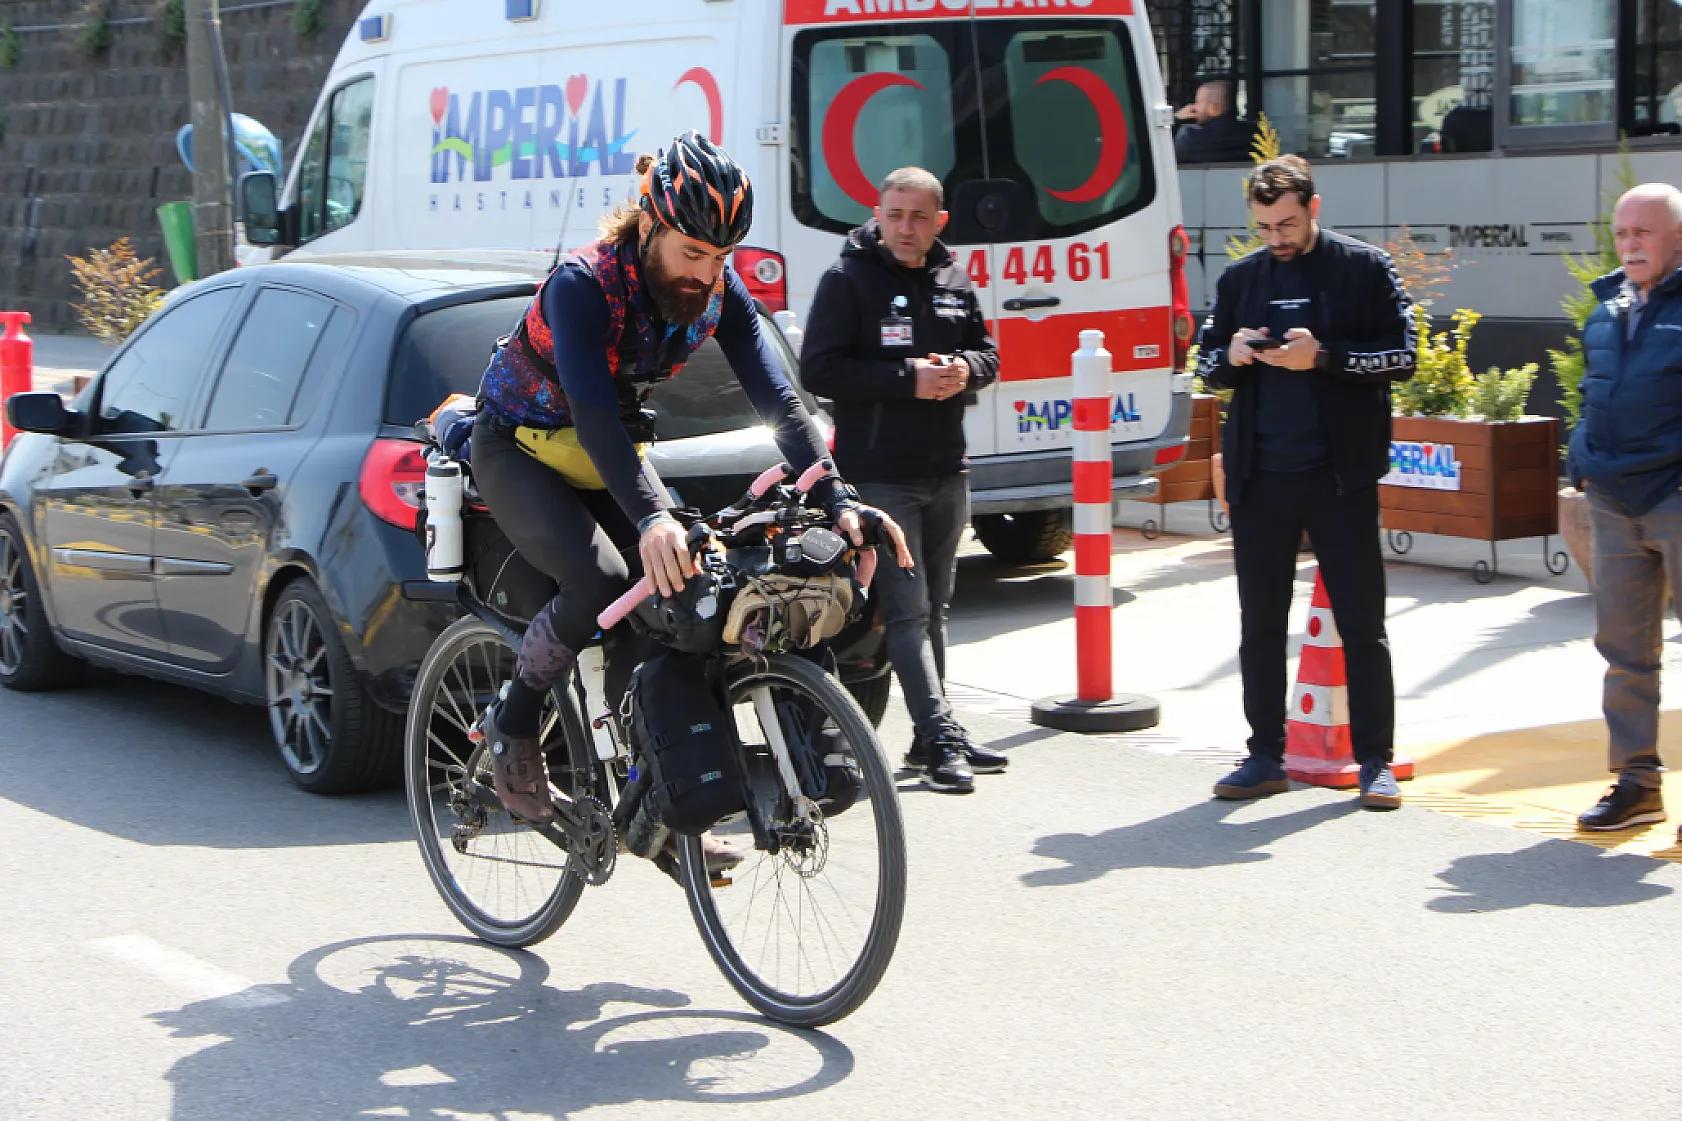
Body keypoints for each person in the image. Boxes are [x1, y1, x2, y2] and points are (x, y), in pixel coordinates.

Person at [471, 131, 910, 831]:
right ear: (650, 224)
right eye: (691, 252)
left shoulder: (717, 289)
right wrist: (652, 517)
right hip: (521, 445)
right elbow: (591, 416)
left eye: (719, 257)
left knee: (687, 597)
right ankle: (513, 728)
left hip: (603, 452)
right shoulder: (584, 286)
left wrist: (837, 494)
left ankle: (652, 789)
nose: (706, 273)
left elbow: (779, 399)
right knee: (606, 582)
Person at [1195, 155, 1417, 810]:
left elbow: (1403, 355)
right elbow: (1207, 364)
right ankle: (1265, 754)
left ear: (1314, 208)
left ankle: (1374, 757)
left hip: (1339, 476)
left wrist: (1322, 357)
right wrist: (1231, 355)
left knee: (1361, 623)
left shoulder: (1362, 268)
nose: (1277, 236)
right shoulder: (1242, 277)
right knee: (1260, 623)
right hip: (1261, 477)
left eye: (1287, 223)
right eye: (1264, 225)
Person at [799, 167, 1005, 795]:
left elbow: (989, 354)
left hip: (946, 467)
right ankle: (938, 737)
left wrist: (963, 369)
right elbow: (819, 370)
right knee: (909, 612)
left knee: (936, 610)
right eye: (895, 215)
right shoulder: (847, 278)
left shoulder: (953, 277)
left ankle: (929, 734)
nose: (906, 228)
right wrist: (905, 378)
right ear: (878, 214)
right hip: (880, 477)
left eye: (919, 217)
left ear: (939, 221)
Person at [1567, 183, 1682, 836]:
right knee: (1625, 651)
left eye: (1645, 231)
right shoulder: (1605, 306)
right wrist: (1580, 458)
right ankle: (1637, 783)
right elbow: (1593, 388)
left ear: (1678, 238)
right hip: (1613, 499)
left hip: (1675, 494)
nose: (1631, 243)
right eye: (1623, 232)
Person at [1174, 80, 1258, 165]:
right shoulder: (1254, 135)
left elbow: (1167, 161)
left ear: (1213, 108)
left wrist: (1176, 120)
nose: (1193, 107)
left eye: (1197, 103)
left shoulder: (1190, 139)